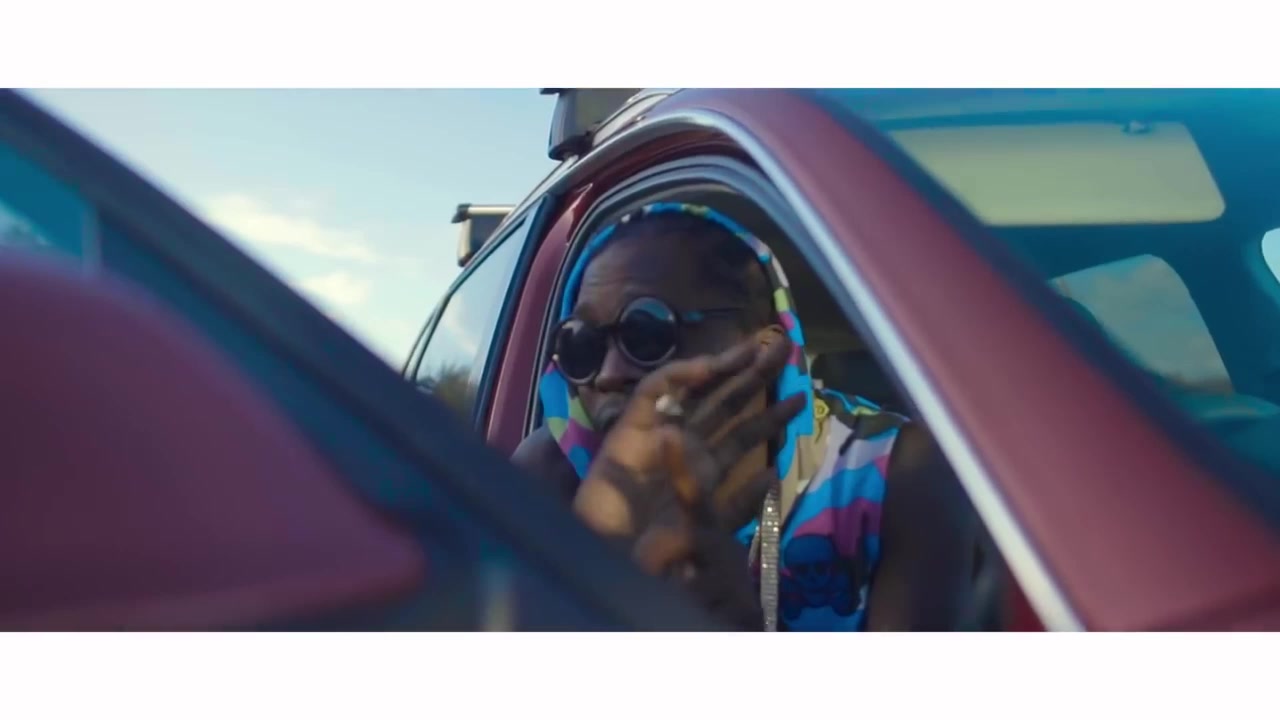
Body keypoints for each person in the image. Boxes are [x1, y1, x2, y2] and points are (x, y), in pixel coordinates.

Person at [513, 202, 979, 631]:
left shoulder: (895, 472)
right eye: (581, 344)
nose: (609, 374)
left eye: (647, 332)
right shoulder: (550, 480)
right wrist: (601, 562)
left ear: (764, 348)